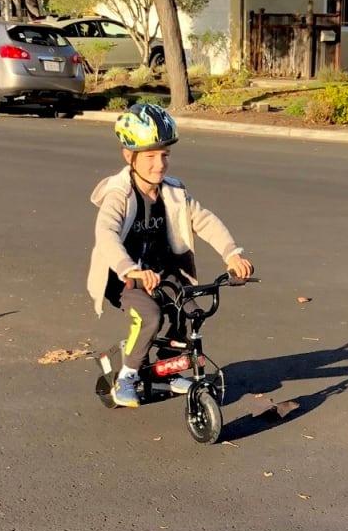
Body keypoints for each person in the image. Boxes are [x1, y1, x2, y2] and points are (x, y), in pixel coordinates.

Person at [87, 103, 252, 408]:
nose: (159, 164)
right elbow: (106, 234)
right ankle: (128, 374)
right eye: (149, 156)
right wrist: (130, 270)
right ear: (129, 156)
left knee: (188, 313)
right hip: (125, 279)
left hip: (164, 273)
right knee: (149, 316)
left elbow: (204, 220)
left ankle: (168, 368)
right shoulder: (119, 195)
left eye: (164, 155)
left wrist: (232, 254)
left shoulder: (173, 193)